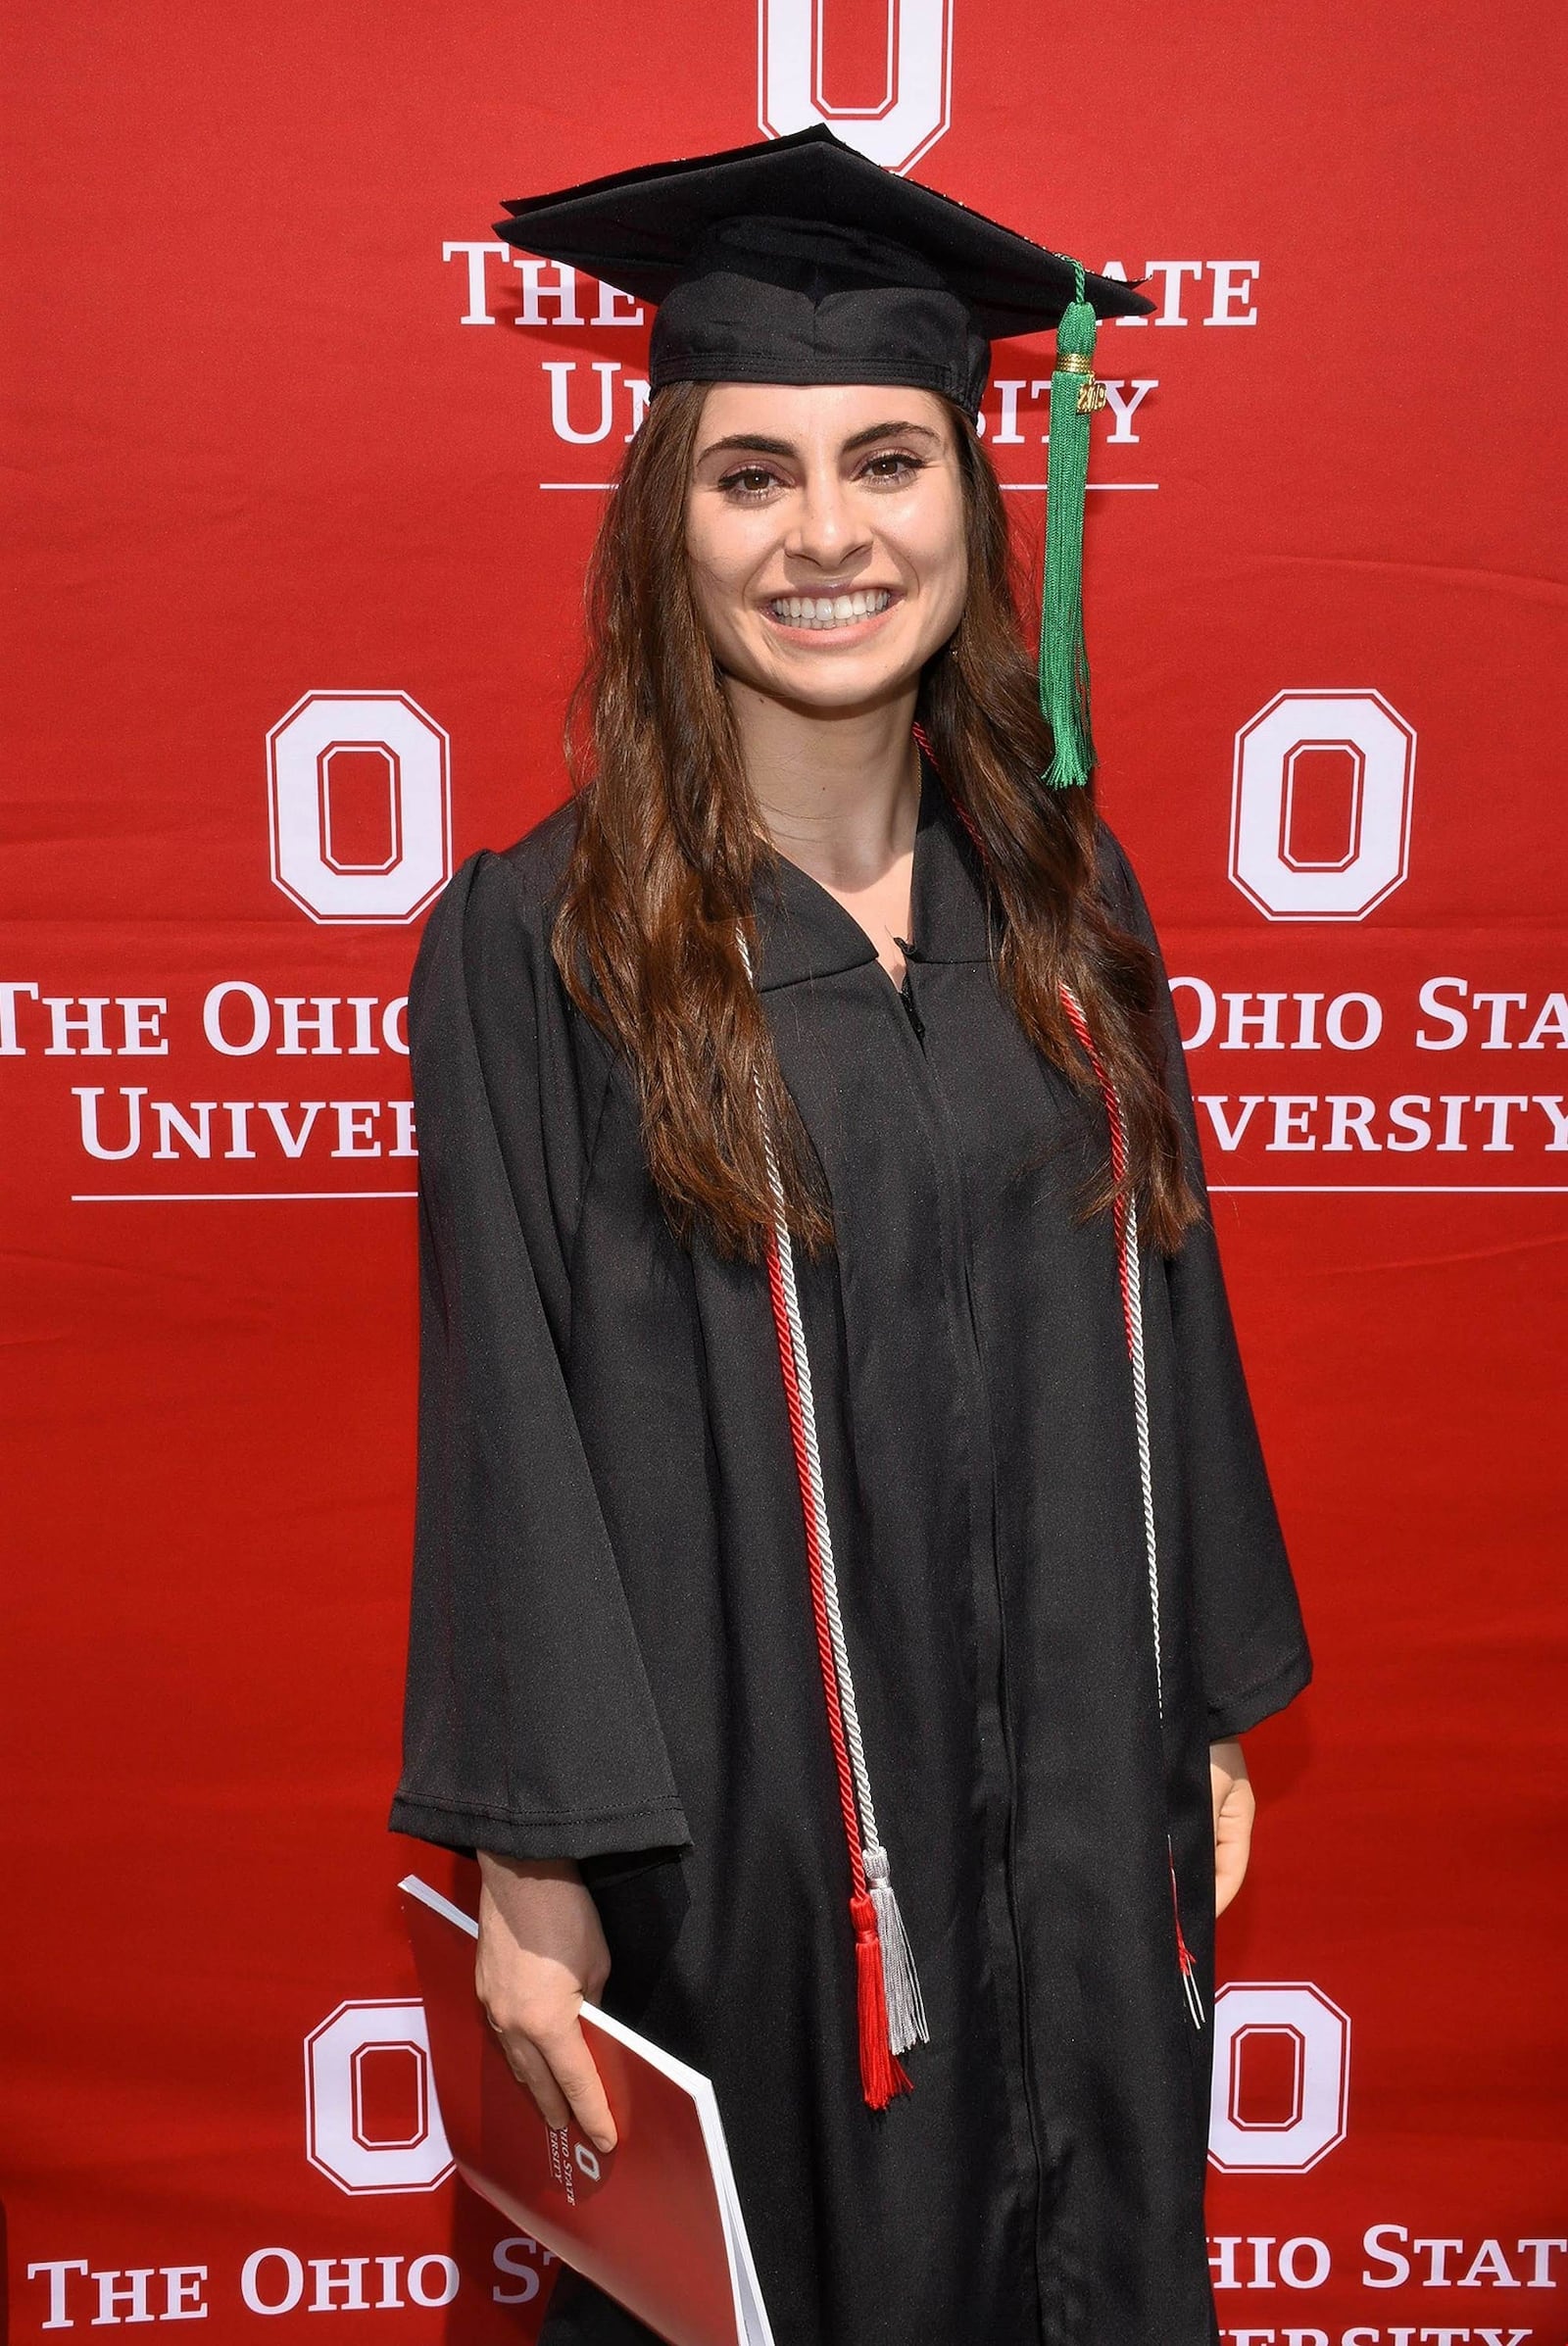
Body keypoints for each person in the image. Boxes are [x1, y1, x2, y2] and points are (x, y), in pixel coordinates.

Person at [390, 126, 1311, 2346]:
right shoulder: (538, 947)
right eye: (749, 476)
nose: (824, 535)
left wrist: (1191, 1711)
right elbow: (505, 1424)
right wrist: (533, 1865)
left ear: (974, 505)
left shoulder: (1071, 908)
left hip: (1084, 1784)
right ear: (661, 530)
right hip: (762, 1842)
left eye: (885, 460)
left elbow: (1157, 1307)